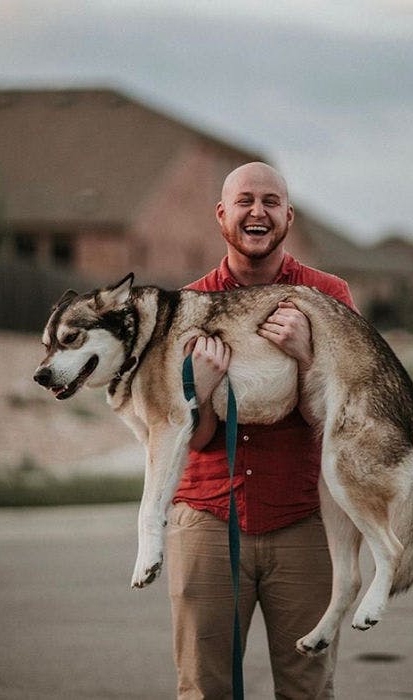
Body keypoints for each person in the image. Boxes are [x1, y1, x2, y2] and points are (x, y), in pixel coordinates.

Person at [167, 162, 357, 699]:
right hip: (207, 517)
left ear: (288, 216)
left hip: (305, 521)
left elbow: (348, 421)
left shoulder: (328, 295)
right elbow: (193, 437)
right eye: (245, 200)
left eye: (271, 201)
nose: (258, 212)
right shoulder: (188, 304)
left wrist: (308, 357)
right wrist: (197, 391)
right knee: (205, 689)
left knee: (307, 690)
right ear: (222, 215)